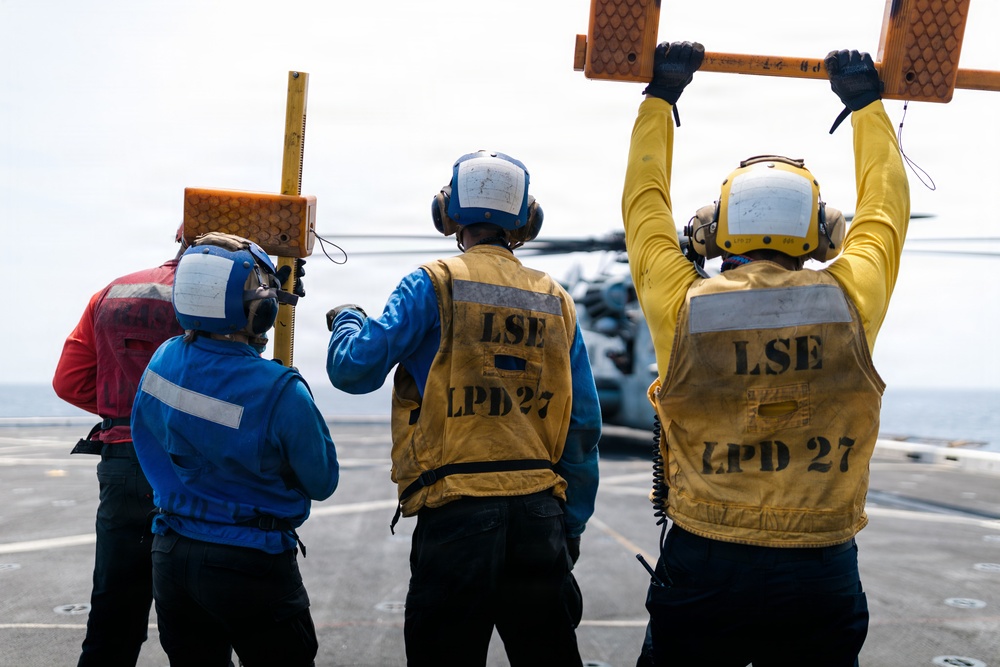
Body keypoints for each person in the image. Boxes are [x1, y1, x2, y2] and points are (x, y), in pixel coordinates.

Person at [622, 43, 910, 666]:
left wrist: (660, 99)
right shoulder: (852, 295)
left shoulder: (684, 303)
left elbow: (644, 209)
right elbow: (885, 207)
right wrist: (864, 103)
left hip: (705, 560)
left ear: (717, 229)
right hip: (821, 566)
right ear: (822, 232)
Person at [326, 150, 602, 667]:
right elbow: (582, 426)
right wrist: (571, 524)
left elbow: (352, 370)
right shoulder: (556, 300)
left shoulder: (432, 284)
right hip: (540, 514)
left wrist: (348, 321)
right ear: (527, 220)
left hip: (457, 514)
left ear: (447, 214)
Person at [130, 232, 339, 667]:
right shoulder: (280, 392)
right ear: (260, 311)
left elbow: (146, 431)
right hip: (251, 564)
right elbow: (323, 481)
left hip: (171, 555)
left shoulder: (163, 359)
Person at [52, 224, 187, 666]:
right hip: (193, 466)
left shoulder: (112, 292)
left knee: (112, 617)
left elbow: (68, 381)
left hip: (122, 463)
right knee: (195, 623)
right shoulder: (221, 303)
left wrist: (130, 412)